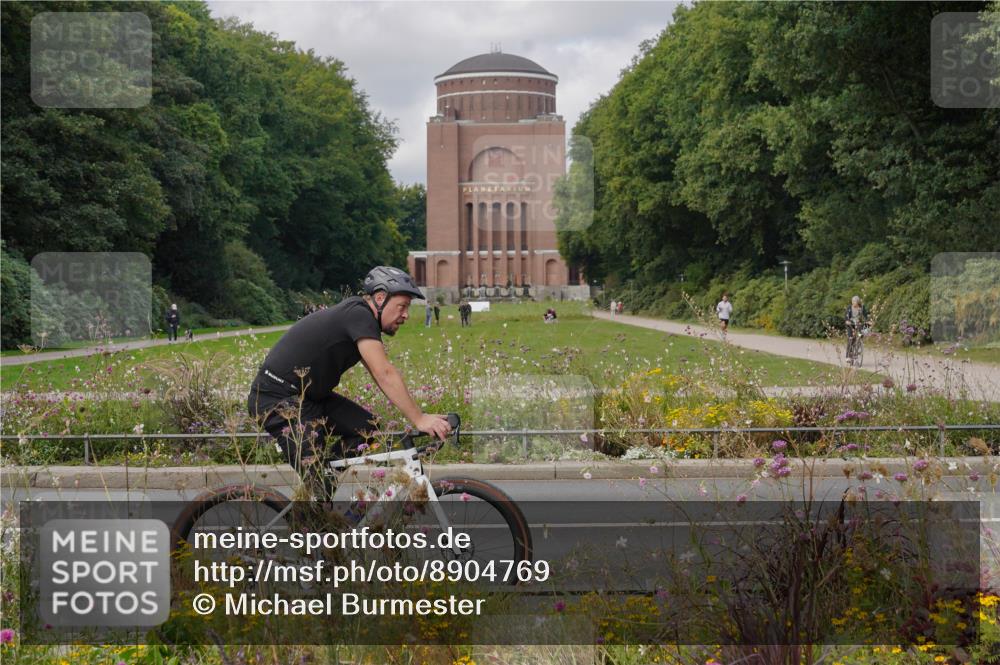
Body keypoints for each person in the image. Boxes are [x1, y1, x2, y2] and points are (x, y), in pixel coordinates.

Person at [246, 266, 451, 496]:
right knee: (320, 491)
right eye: (402, 306)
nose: (405, 315)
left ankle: (322, 479)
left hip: (310, 399)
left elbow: (377, 372)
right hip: (277, 400)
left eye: (408, 308)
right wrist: (419, 418)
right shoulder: (359, 314)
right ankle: (315, 502)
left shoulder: (361, 319)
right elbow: (384, 373)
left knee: (368, 431)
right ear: (380, 298)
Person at [845, 295, 869, 361]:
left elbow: (865, 316)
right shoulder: (849, 308)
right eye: (852, 301)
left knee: (860, 334)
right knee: (851, 338)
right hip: (850, 325)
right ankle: (848, 356)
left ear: (858, 302)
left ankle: (858, 345)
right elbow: (846, 317)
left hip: (858, 324)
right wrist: (847, 321)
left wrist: (868, 321)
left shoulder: (862, 308)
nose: (853, 303)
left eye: (854, 301)